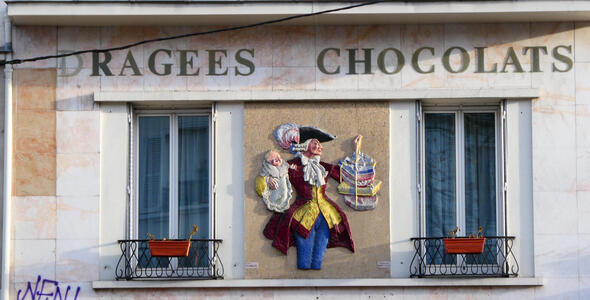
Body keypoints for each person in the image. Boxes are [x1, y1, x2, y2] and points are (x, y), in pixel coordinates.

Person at [263, 125, 360, 270]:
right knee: (304, 257)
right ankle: (303, 285)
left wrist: (356, 151)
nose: (320, 146)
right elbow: (268, 171)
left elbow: (348, 176)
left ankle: (318, 283)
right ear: (305, 144)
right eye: (315, 142)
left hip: (327, 215)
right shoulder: (291, 166)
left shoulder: (324, 167)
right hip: (302, 215)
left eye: (320, 143)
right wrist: (267, 180)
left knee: (318, 258)